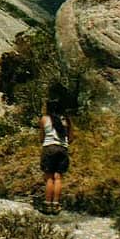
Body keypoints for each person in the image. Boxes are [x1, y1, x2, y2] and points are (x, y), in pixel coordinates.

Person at [40, 83, 73, 214]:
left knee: (49, 178)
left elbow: (41, 137)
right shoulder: (66, 120)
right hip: (62, 148)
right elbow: (71, 137)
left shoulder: (44, 119)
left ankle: (47, 205)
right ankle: (56, 205)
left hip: (49, 148)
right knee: (58, 177)